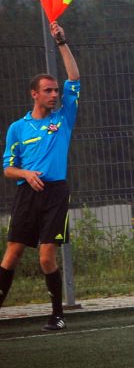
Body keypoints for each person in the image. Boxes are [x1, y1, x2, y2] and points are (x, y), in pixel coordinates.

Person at [0, 22, 80, 331]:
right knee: (13, 253)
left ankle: (57, 315)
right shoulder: (17, 128)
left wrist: (61, 42)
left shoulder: (64, 118)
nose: (54, 94)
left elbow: (74, 77)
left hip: (56, 194)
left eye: (56, 90)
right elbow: (7, 167)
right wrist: (25, 173)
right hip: (26, 194)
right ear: (34, 94)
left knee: (47, 256)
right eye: (48, 90)